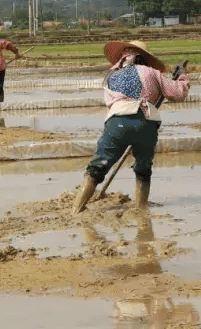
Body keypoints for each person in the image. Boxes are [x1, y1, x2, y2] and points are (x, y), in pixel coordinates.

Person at [71, 40, 189, 215]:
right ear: (144, 58)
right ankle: (141, 210)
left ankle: (76, 209)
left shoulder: (110, 76)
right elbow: (178, 94)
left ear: (124, 57)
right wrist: (182, 77)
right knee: (143, 169)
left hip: (117, 123)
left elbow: (112, 103)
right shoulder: (152, 73)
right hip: (146, 124)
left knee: (98, 167)